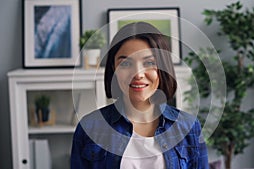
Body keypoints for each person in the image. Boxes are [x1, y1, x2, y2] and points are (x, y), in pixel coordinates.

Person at [71, 22, 209, 169]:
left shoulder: (189, 127)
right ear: (114, 68)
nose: (138, 74)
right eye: (125, 63)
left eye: (149, 62)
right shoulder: (89, 128)